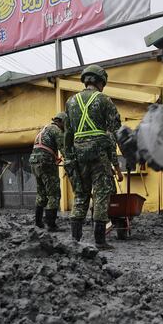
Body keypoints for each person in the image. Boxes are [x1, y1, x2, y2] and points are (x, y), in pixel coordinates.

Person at [63, 64, 124, 248]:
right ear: (101, 82)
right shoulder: (104, 100)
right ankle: (100, 241)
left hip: (78, 156)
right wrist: (121, 158)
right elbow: (115, 131)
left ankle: (75, 240)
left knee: (81, 195)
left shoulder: (70, 102)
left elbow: (67, 134)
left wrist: (69, 158)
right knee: (101, 196)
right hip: (99, 155)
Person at [30, 113, 66, 231]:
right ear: (60, 121)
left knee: (41, 193)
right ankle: (51, 225)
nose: (65, 127)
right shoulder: (56, 130)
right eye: (65, 124)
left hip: (34, 162)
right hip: (46, 162)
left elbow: (42, 147)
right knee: (54, 194)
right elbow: (64, 148)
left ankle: (38, 222)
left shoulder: (43, 130)